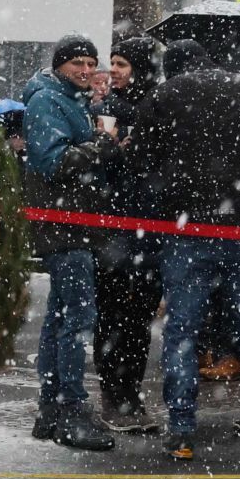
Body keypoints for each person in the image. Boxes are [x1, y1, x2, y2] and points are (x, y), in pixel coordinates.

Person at [125, 38, 240, 464]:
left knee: (182, 332)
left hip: (189, 229)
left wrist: (169, 191)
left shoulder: (164, 96)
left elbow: (141, 161)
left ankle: (182, 430)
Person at [19, 35, 115, 451]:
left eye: (91, 63)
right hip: (64, 227)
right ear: (59, 65)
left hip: (74, 225)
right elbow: (53, 161)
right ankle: (71, 408)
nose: (85, 70)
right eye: (77, 62)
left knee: (60, 318)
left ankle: (51, 408)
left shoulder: (72, 100)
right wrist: (102, 146)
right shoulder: (47, 100)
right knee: (76, 318)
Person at [94, 35, 163, 432]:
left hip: (150, 230)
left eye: (122, 64)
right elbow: (102, 168)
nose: (114, 71)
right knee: (112, 315)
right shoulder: (106, 110)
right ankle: (112, 396)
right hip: (113, 230)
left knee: (139, 320)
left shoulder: (159, 108)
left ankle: (132, 393)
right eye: (113, 63)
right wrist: (114, 151)